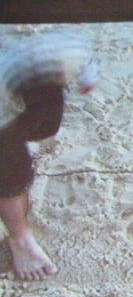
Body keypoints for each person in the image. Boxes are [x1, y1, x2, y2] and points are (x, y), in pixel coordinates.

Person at [0, 33, 98, 280]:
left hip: (33, 78)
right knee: (11, 174)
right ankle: (20, 239)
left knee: (47, 125)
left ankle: (24, 136)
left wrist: (87, 78)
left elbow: (83, 56)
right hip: (7, 97)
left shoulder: (62, 51)